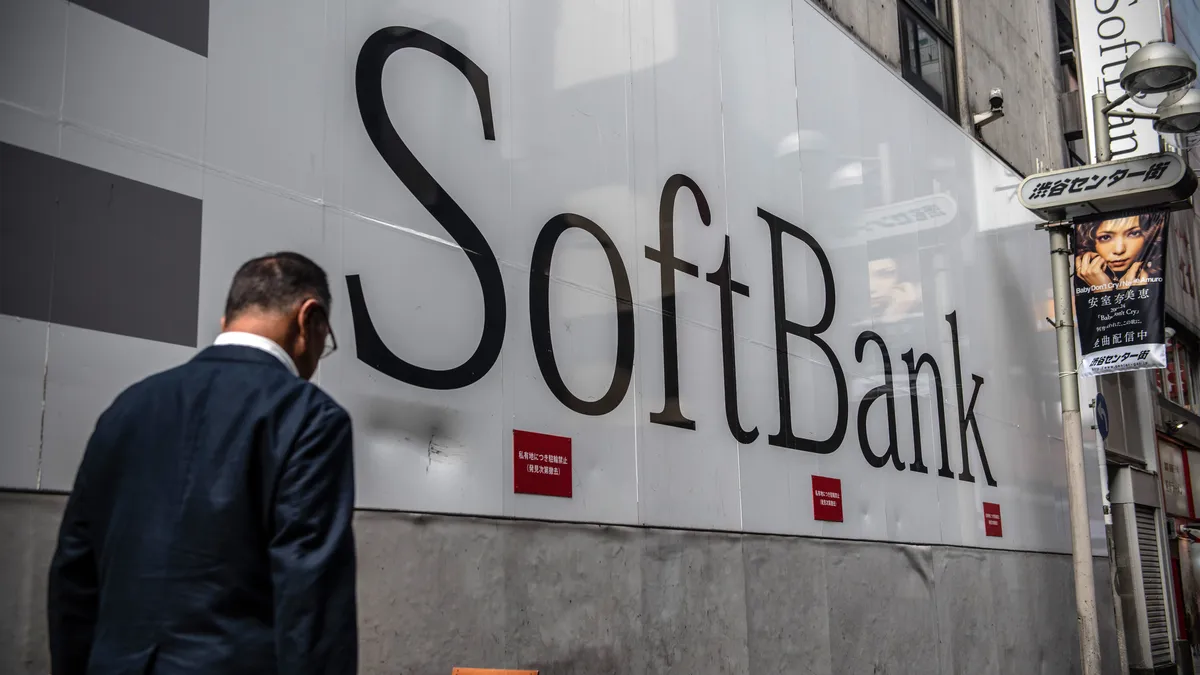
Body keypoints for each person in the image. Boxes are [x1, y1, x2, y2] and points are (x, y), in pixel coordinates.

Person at [47, 252, 358, 675]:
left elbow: (74, 571)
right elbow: (311, 601)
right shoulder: (308, 417)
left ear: (226, 321)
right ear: (310, 319)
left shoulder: (129, 407)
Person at [1075, 212, 1166, 290]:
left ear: (1148, 236)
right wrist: (1103, 289)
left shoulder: (1164, 286)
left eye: (1133, 233)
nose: (1119, 250)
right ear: (1091, 242)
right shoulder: (1072, 297)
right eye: (1105, 237)